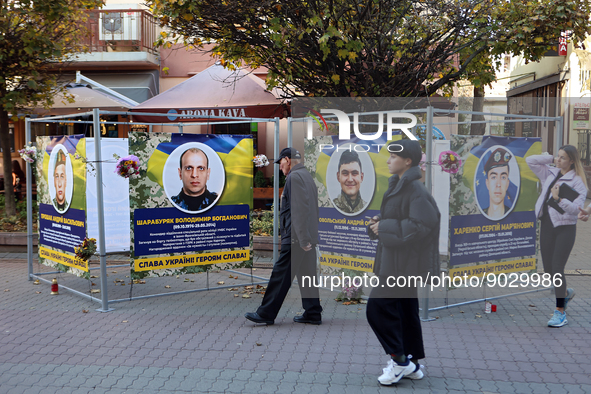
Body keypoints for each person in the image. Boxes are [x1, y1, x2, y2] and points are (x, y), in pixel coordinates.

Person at [366, 139, 440, 385]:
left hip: (401, 265)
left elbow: (423, 224)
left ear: (407, 161)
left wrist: (384, 226)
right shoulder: (400, 185)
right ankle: (413, 363)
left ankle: (399, 362)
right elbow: (403, 217)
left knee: (376, 309)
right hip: (398, 262)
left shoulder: (415, 189)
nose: (388, 160)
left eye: (393, 157)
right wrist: (379, 222)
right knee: (405, 312)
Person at [245, 147, 323, 325]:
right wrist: (308, 237)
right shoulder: (306, 175)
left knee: (280, 276)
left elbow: (299, 210)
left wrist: (302, 239)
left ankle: (266, 313)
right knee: (307, 275)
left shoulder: (294, 177)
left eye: (280, 163)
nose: (280, 168)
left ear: (287, 160)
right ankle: (313, 313)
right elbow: (312, 208)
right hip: (306, 235)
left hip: (296, 237)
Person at [526, 146, 588, 328]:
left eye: (563, 158)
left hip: (565, 228)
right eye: (558, 156)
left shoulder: (578, 182)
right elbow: (531, 160)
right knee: (548, 271)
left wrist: (558, 198)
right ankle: (565, 293)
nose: (559, 160)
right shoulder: (550, 172)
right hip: (547, 225)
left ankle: (560, 311)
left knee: (558, 267)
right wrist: (552, 158)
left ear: (572, 161)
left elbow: (576, 209)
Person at [483, 147, 512, 219]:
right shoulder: (479, 216)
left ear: (507, 184)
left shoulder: (514, 216)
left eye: (503, 177)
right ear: (487, 183)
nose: (498, 184)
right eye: (493, 177)